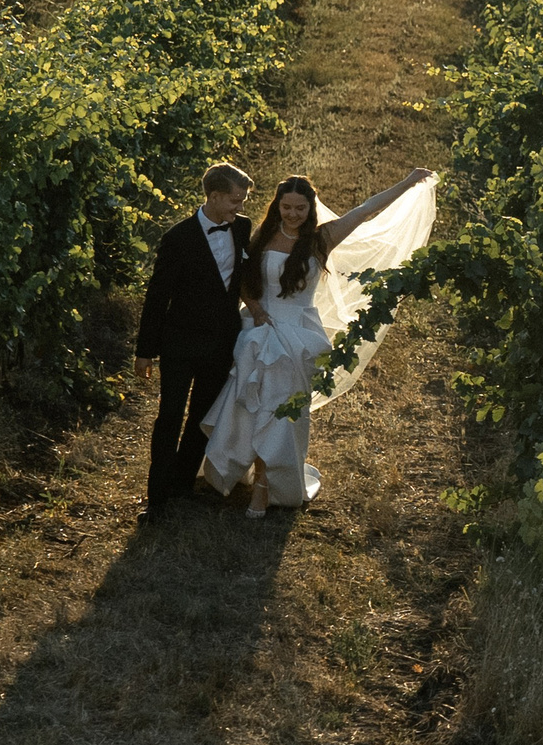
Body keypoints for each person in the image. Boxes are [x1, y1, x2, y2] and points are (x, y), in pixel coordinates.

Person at [199, 167, 437, 512]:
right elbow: (244, 282)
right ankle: (244, 469)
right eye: (286, 208)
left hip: (297, 335)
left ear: (311, 209)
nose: (293, 215)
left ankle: (265, 485)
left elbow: (365, 210)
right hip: (258, 330)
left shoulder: (321, 240)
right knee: (249, 405)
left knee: (280, 410)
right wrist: (254, 308)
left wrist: (408, 181)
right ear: (276, 206)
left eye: (300, 208)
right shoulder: (261, 235)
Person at [132, 163, 254, 522]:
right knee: (169, 415)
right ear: (214, 196)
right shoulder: (177, 238)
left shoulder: (243, 229)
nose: (240, 207)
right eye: (235, 200)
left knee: (202, 417)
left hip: (221, 343)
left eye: (243, 200)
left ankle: (182, 483)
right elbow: (157, 298)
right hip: (179, 343)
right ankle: (156, 499)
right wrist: (145, 351)